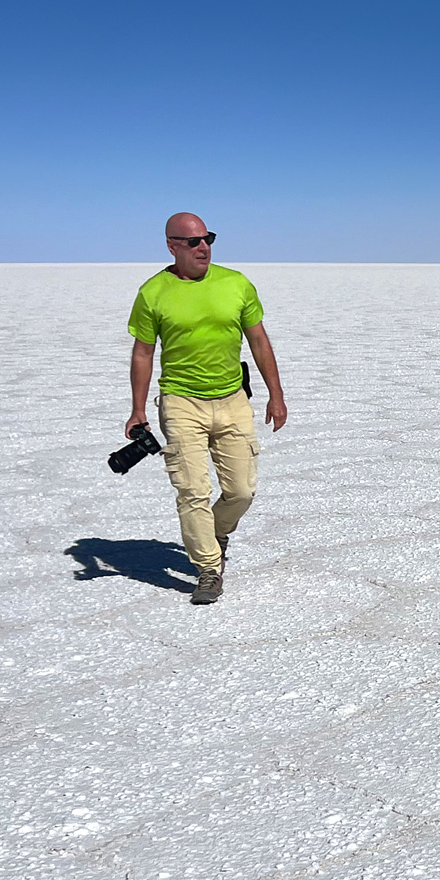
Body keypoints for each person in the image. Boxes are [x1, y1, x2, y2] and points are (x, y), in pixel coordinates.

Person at [124, 213, 287, 604]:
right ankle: (209, 569)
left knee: (241, 491)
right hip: (181, 402)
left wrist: (276, 395)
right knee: (192, 490)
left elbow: (259, 341)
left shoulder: (236, 284)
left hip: (233, 400)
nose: (204, 248)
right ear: (172, 245)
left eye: (209, 239)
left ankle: (215, 533)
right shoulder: (153, 292)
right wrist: (137, 409)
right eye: (194, 241)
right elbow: (143, 353)